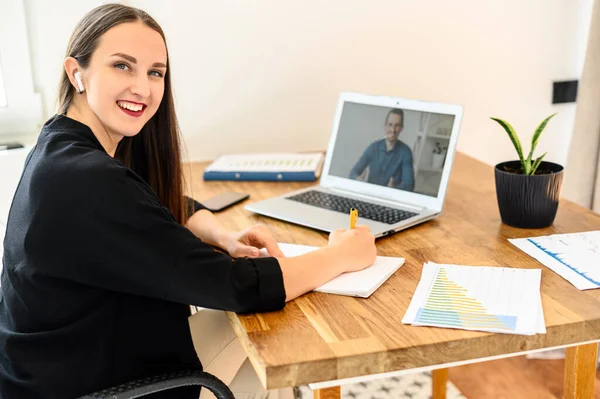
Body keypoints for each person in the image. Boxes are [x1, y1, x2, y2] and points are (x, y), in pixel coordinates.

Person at [0, 4, 377, 399]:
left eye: (155, 73)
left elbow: (157, 203)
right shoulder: (86, 179)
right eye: (122, 66)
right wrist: (341, 256)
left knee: (266, 363)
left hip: (65, 366)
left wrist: (225, 236)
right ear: (77, 72)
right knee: (274, 343)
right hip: (99, 386)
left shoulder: (63, 148)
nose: (143, 88)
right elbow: (240, 287)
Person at [349, 109, 415, 191]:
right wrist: (357, 180)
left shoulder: (406, 152)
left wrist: (393, 190)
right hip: (369, 195)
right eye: (390, 124)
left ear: (401, 128)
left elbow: (409, 186)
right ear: (385, 125)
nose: (393, 130)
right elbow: (353, 172)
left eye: (397, 125)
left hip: (390, 200)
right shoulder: (373, 147)